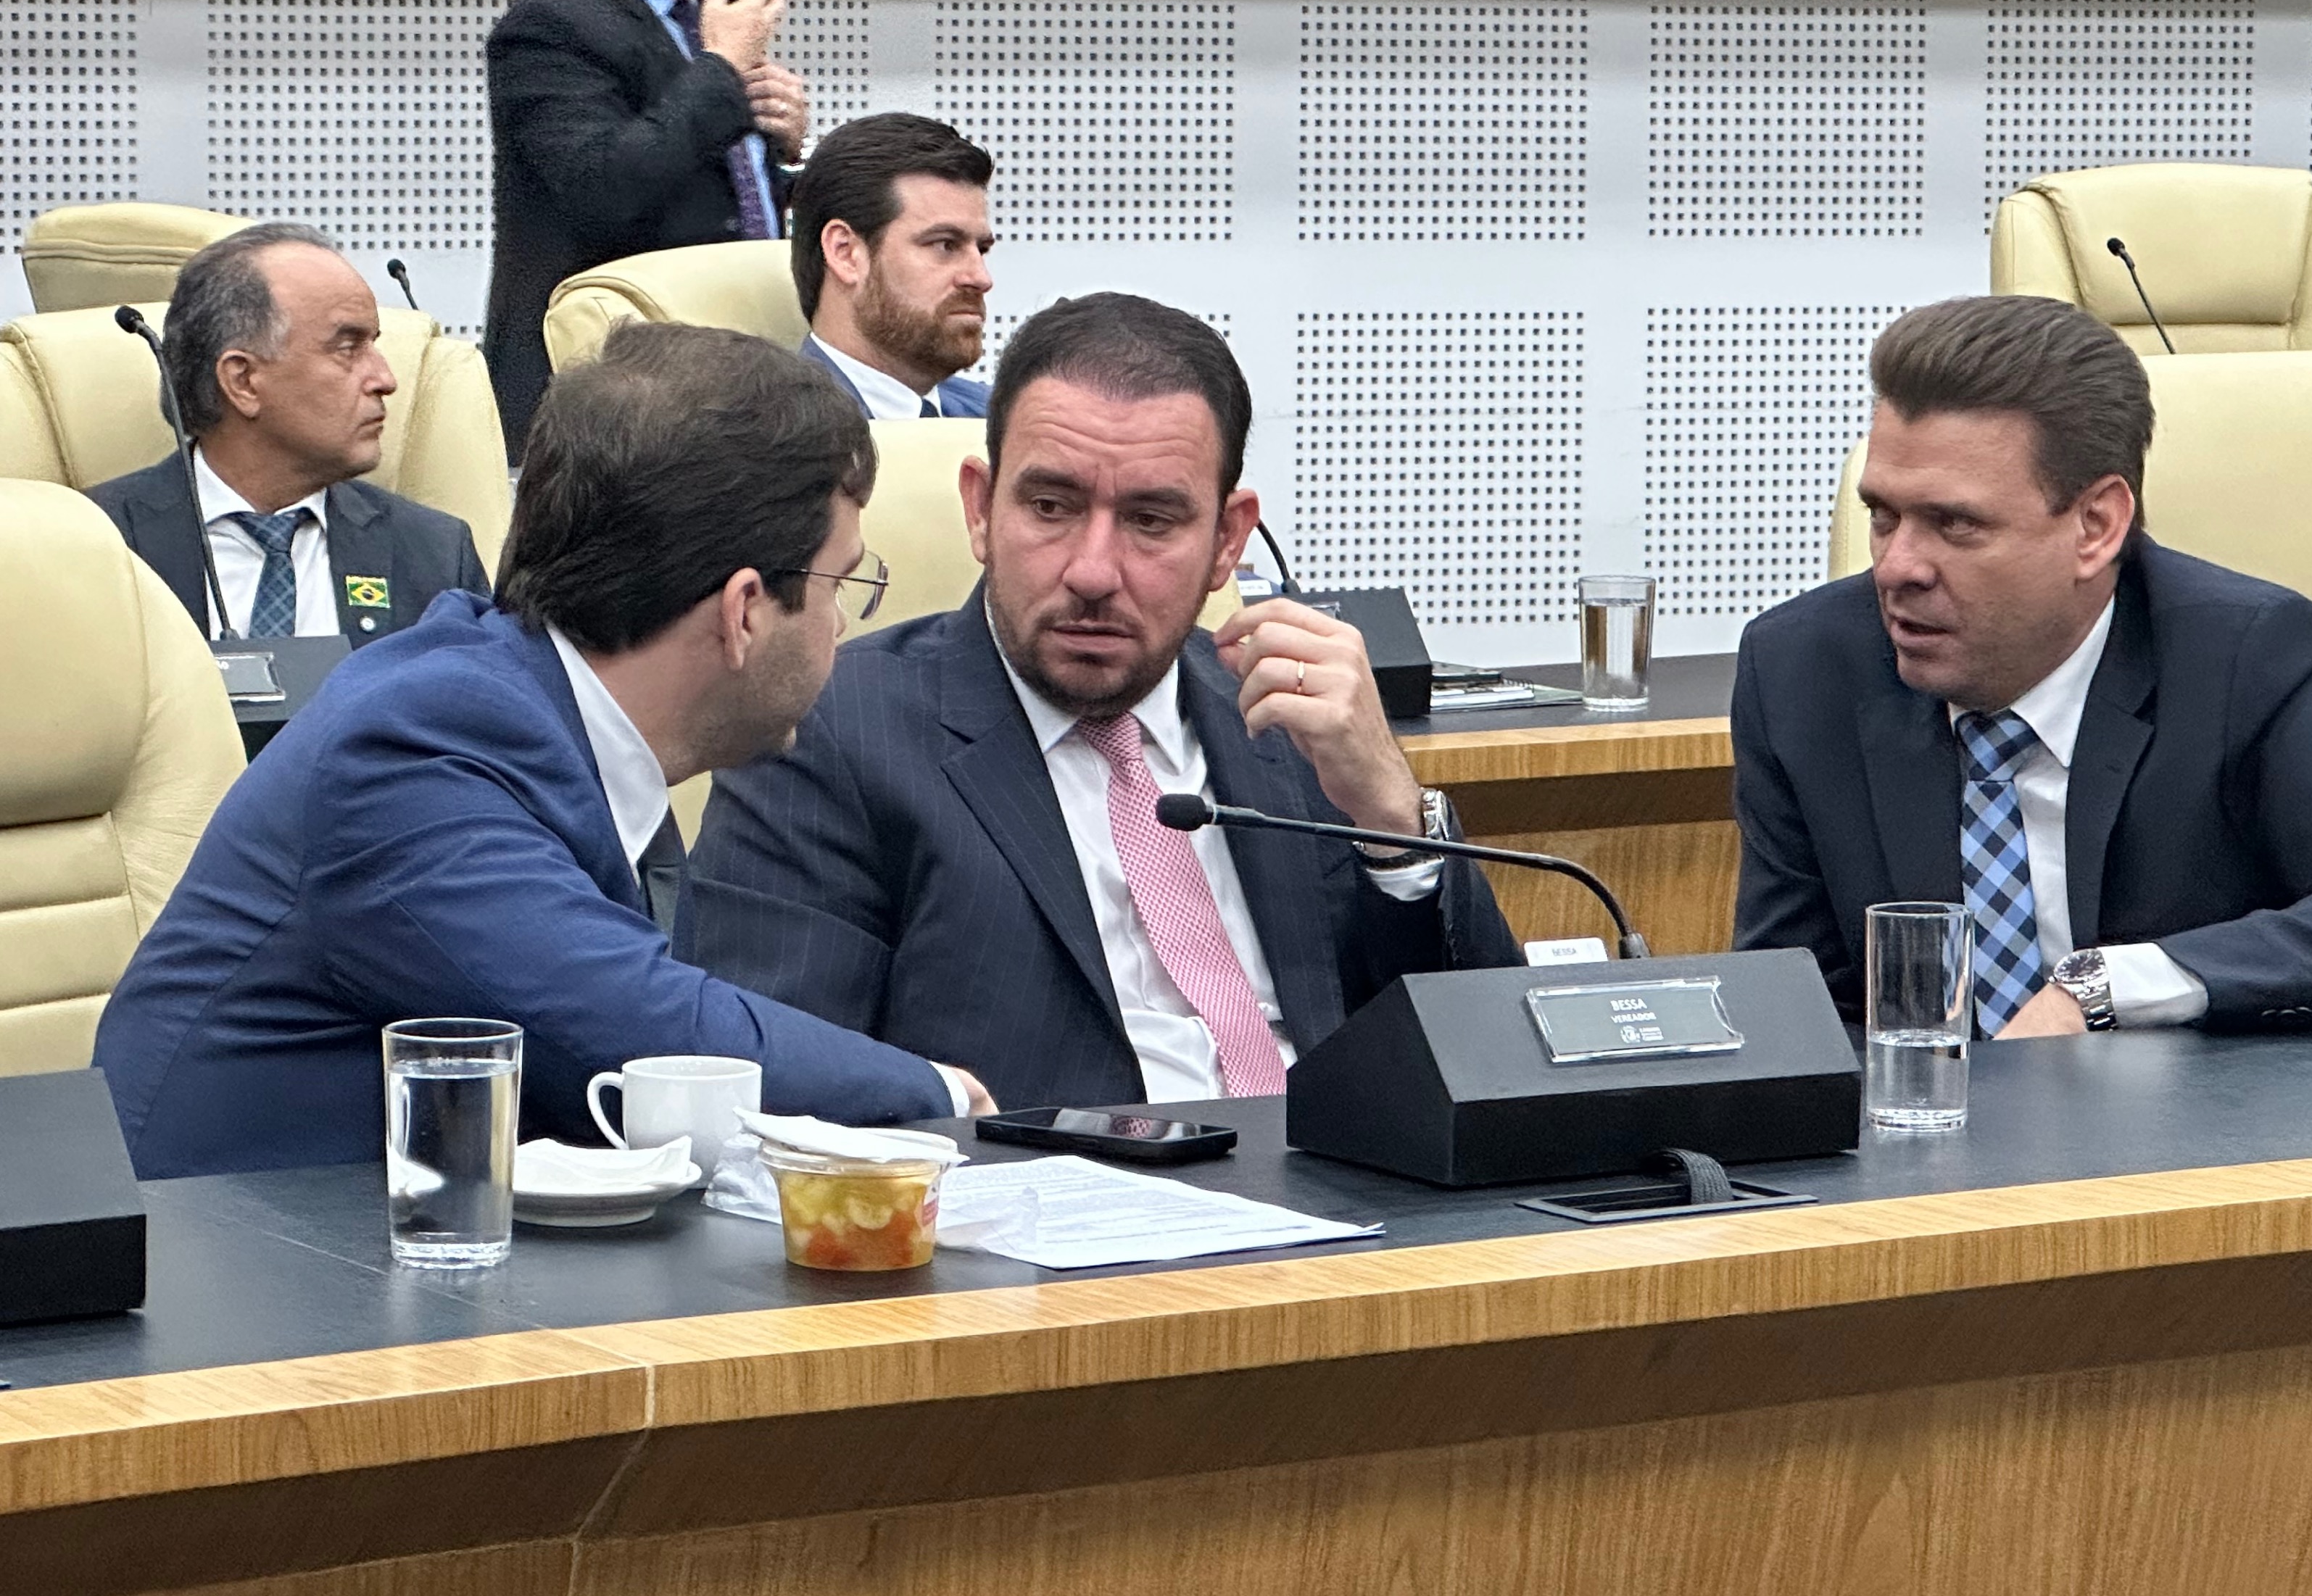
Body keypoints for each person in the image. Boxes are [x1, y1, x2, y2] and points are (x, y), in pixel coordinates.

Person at [96, 323, 991, 1180]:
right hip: (228, 1268)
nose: (842, 624)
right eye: (842, 583)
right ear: (744, 611)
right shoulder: (414, 750)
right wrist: (943, 1097)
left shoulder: (546, 719)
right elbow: (647, 1039)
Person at [683, 292, 1522, 1107]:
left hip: (1331, 1188)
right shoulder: (826, 731)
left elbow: (1499, 1070)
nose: (1091, 571)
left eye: (1150, 520)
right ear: (980, 509)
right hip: (1039, 1195)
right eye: (1050, 507)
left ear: (1227, 541)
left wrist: (1392, 820)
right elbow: (773, 1100)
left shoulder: (1287, 726)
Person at [1731, 293, 2312, 1038]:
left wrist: (2111, 988)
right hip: (1928, 1130)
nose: (1898, 567)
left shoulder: (2251, 663)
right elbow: (1795, 1014)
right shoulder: (1802, 672)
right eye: (1883, 516)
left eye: (1955, 524)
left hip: (2187, 1125)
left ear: (2096, 527)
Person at [484, 0, 807, 453]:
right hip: (611, 396)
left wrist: (785, 153)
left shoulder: (705, 18)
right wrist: (721, 70)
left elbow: (715, 197)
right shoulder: (552, 24)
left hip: (734, 374)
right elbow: (603, 187)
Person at [89, 223, 489, 646]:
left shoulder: (435, 554)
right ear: (243, 381)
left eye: (373, 344)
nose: (385, 379)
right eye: (348, 348)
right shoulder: (94, 544)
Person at [788, 112, 995, 420]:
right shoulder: (767, 435)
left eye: (982, 249)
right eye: (945, 245)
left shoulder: (1005, 422)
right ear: (846, 253)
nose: (981, 278)